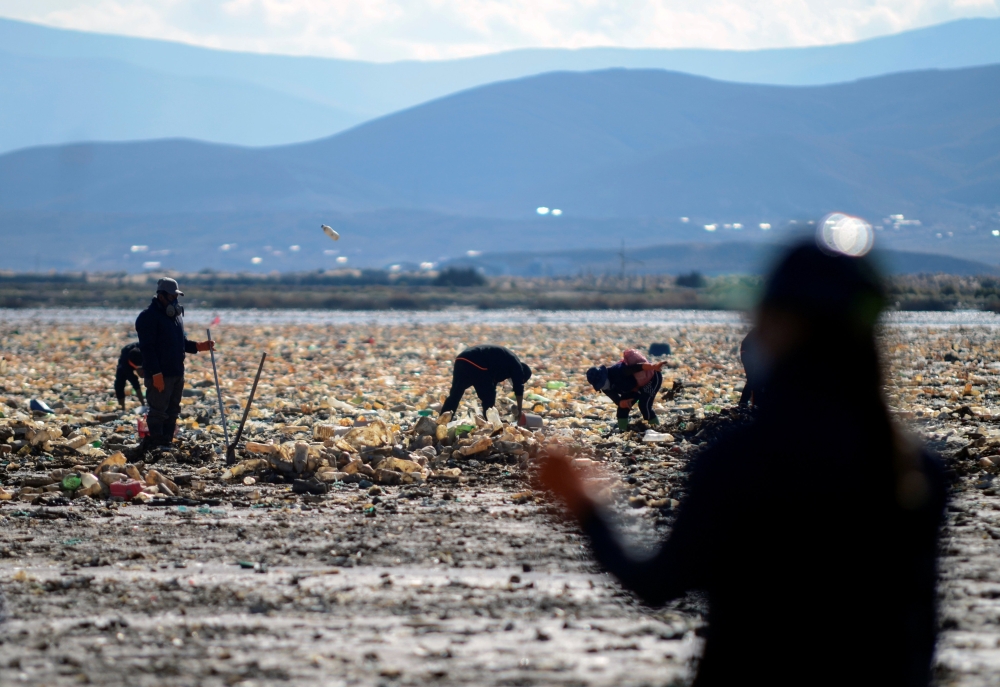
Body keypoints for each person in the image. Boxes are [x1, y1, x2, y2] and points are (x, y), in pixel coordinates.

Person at [538, 241, 946, 687]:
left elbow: (657, 583)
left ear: (772, 325)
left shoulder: (739, 459)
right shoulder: (916, 470)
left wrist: (584, 505)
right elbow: (920, 635)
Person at [133, 278, 214, 452]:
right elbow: (147, 348)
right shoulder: (148, 317)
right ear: (161, 296)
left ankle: (166, 441)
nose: (175, 300)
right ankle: (156, 442)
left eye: (176, 296)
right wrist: (155, 374)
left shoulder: (175, 317)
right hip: (160, 374)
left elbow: (180, 343)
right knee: (158, 409)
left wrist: (199, 346)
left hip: (176, 372)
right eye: (172, 296)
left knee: (173, 409)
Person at [441, 345, 531, 422]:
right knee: (488, 397)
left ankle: (442, 421)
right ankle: (489, 423)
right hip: (476, 362)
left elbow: (492, 383)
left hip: (462, 359)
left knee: (456, 393)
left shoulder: (505, 364)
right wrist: (519, 411)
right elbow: (519, 388)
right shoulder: (517, 366)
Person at [586, 349, 664, 431]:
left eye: (603, 383)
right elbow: (616, 399)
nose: (603, 386)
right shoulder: (605, 388)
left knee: (644, 405)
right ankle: (623, 431)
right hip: (635, 386)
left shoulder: (617, 371)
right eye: (600, 385)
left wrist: (653, 366)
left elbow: (638, 367)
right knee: (622, 410)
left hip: (651, 378)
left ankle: (657, 429)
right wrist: (622, 403)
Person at [113, 343, 145, 411]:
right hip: (125, 361)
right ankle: (122, 408)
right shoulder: (125, 365)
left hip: (142, 356)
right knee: (119, 383)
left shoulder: (145, 352)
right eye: (140, 370)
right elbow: (135, 382)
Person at [737, 328, 764, 407]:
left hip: (748, 353)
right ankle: (752, 404)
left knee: (752, 380)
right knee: (754, 380)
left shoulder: (761, 330)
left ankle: (745, 403)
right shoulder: (765, 331)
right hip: (750, 354)